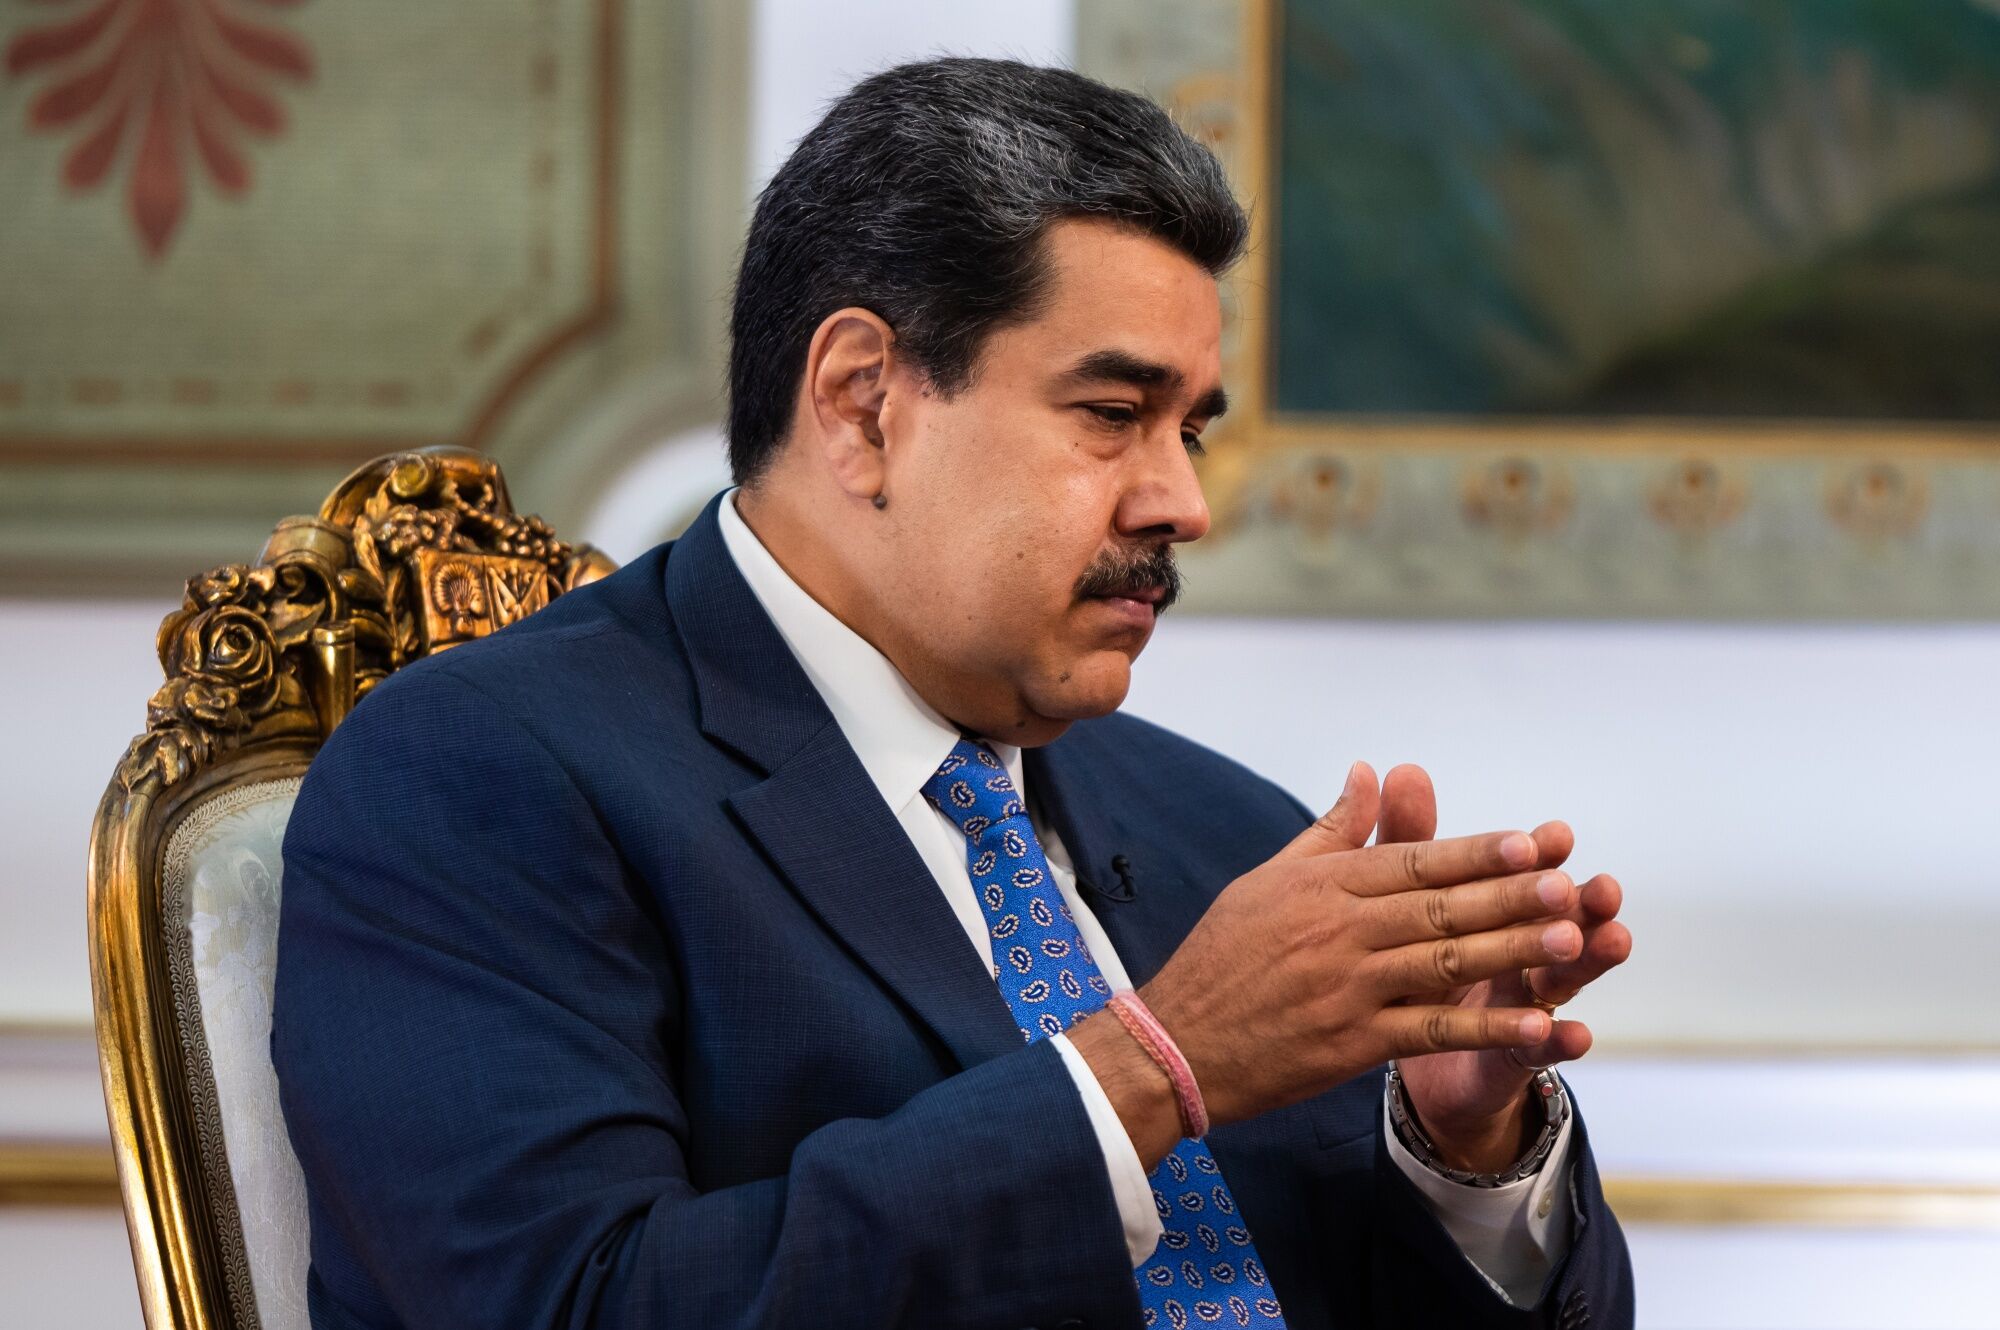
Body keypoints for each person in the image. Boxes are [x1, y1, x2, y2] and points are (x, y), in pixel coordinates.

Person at [273, 57, 1635, 1330]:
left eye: (1193, 428)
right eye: (1114, 413)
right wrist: (1158, 1062)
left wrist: (1461, 1146)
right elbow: (575, 1303)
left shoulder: (1227, 828)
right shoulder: (481, 777)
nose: (1183, 501)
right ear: (864, 404)